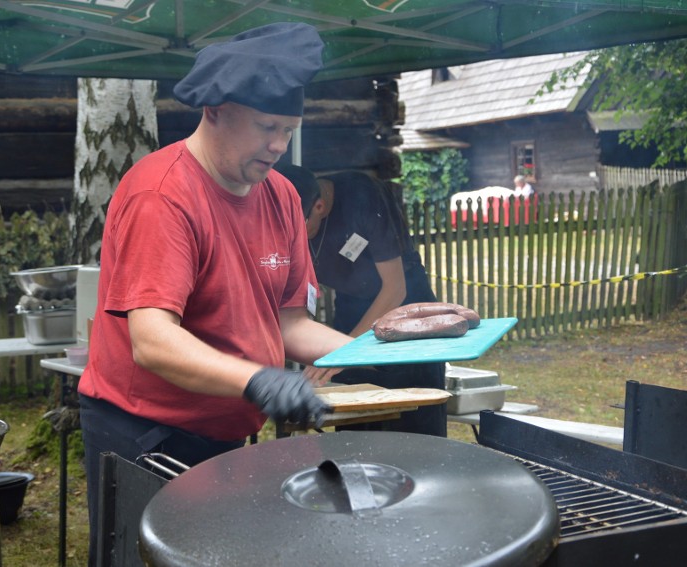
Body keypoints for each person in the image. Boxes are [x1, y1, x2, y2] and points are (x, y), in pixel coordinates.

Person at [77, 23, 351, 565]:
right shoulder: (163, 195)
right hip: (145, 435)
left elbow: (290, 323)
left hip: (223, 429)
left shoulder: (280, 196)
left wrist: (377, 351)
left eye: (289, 130)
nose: (279, 145)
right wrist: (259, 379)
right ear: (215, 111)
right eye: (266, 126)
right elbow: (152, 341)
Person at [278, 165, 447, 437]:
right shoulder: (294, 207)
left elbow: (395, 289)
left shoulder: (363, 197)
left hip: (406, 311)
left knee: (415, 412)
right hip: (352, 309)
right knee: (355, 416)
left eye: (299, 226)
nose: (292, 236)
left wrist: (345, 352)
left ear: (319, 206)